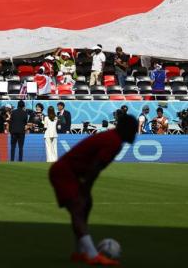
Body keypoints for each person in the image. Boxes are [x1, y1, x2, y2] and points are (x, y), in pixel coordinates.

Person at [49, 113, 137, 265]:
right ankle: (92, 255)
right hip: (64, 173)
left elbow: (95, 167)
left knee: (84, 208)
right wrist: (84, 191)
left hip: (71, 173)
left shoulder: (114, 139)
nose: (135, 134)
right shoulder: (113, 141)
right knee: (78, 208)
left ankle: (80, 252)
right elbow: (95, 167)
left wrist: (85, 191)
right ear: (126, 129)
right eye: (134, 130)